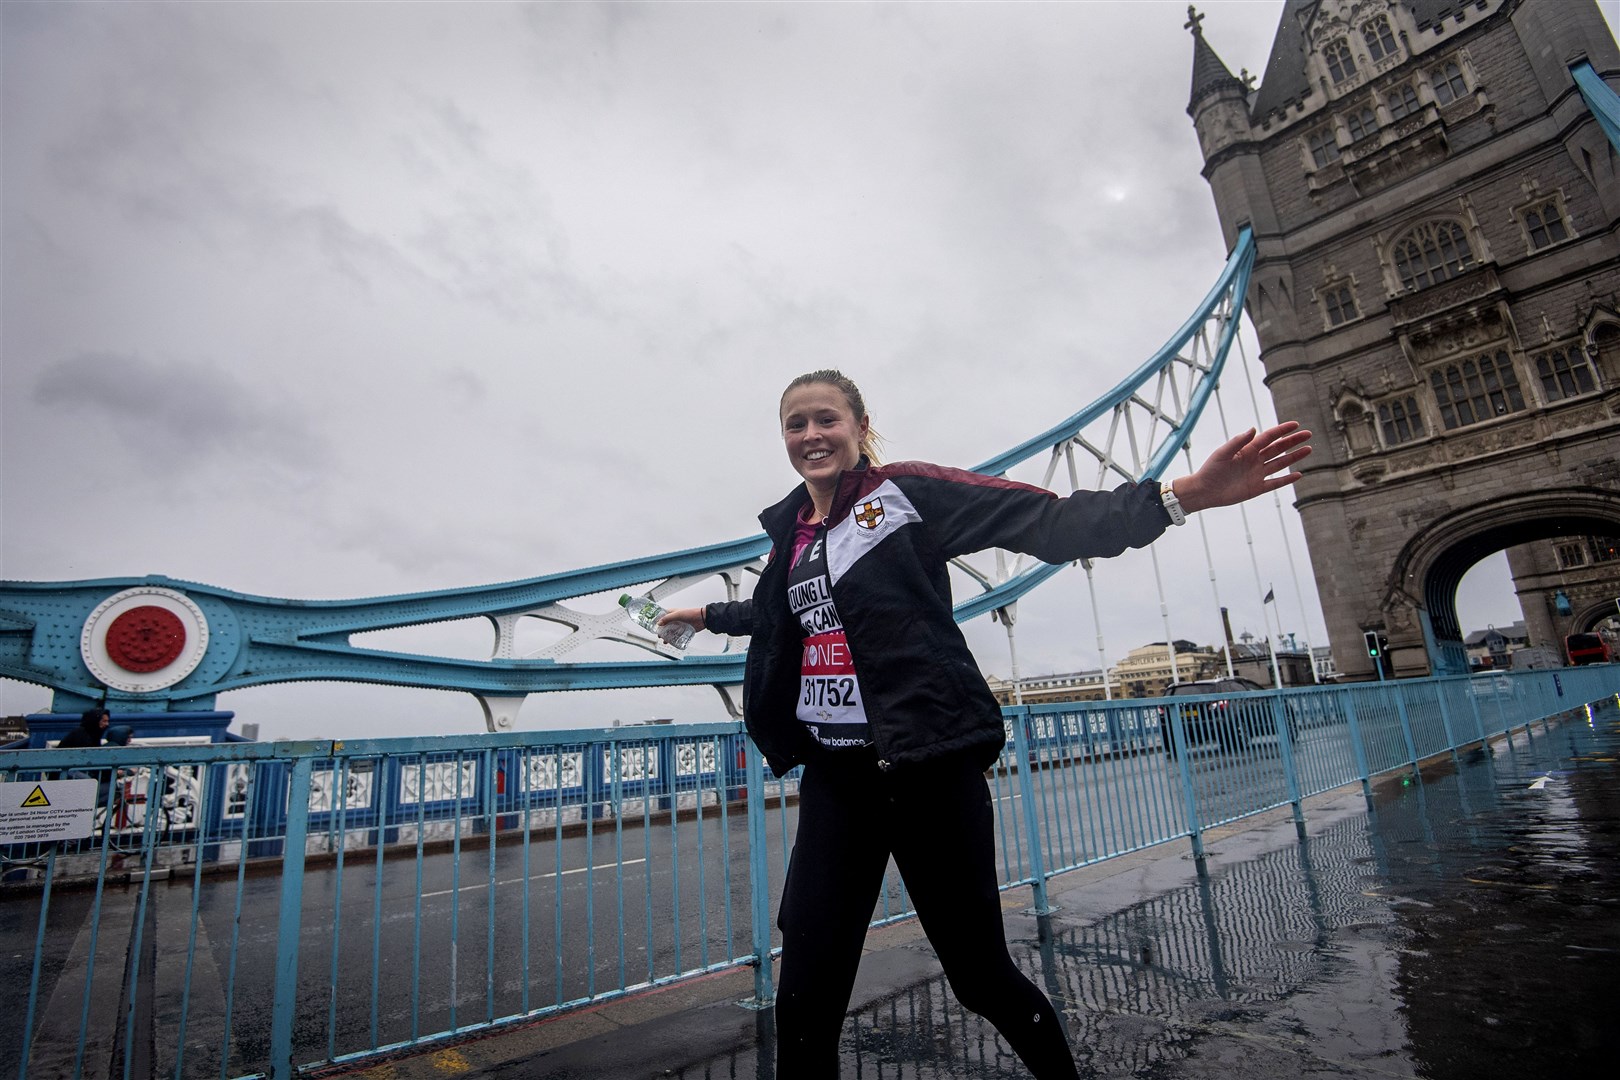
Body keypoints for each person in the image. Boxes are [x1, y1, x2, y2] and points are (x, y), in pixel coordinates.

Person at [658, 369, 1311, 1079]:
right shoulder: (792, 533)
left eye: (826, 420)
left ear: (859, 426)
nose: (811, 436)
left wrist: (1178, 498)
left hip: (926, 764)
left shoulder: (902, 495)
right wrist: (705, 616)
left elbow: (1044, 519)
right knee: (806, 984)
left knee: (978, 975)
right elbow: (780, 615)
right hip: (837, 775)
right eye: (795, 424)